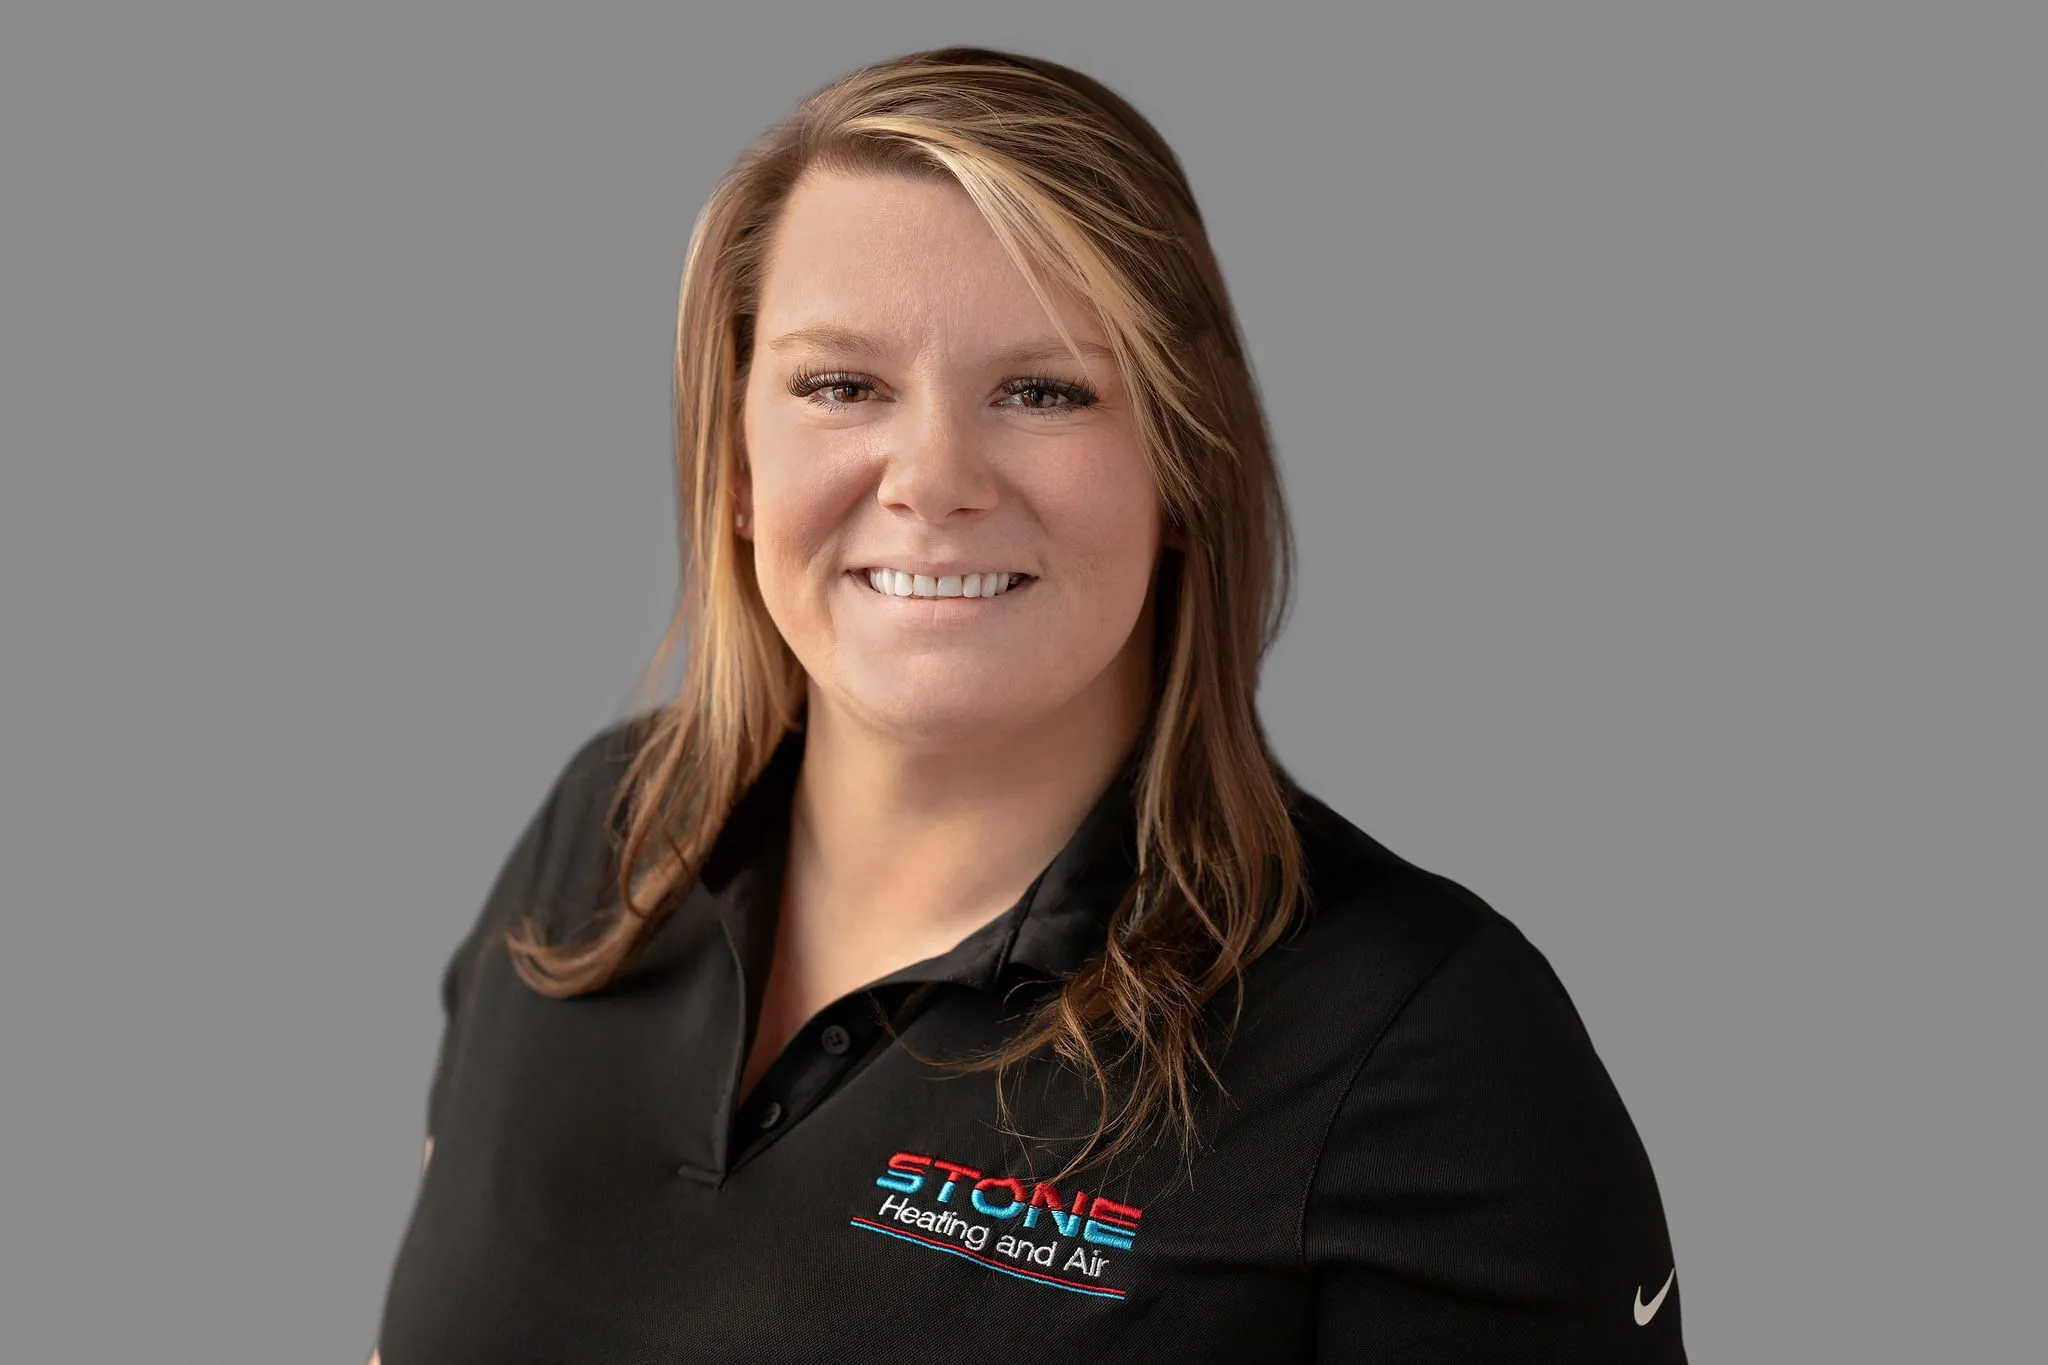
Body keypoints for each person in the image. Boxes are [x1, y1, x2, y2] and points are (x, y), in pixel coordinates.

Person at [368, 45, 1686, 1364]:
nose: (932, 479)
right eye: (842, 386)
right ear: (735, 466)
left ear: (1184, 465)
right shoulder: (606, 837)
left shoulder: (1423, 1048)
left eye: (1044, 390)